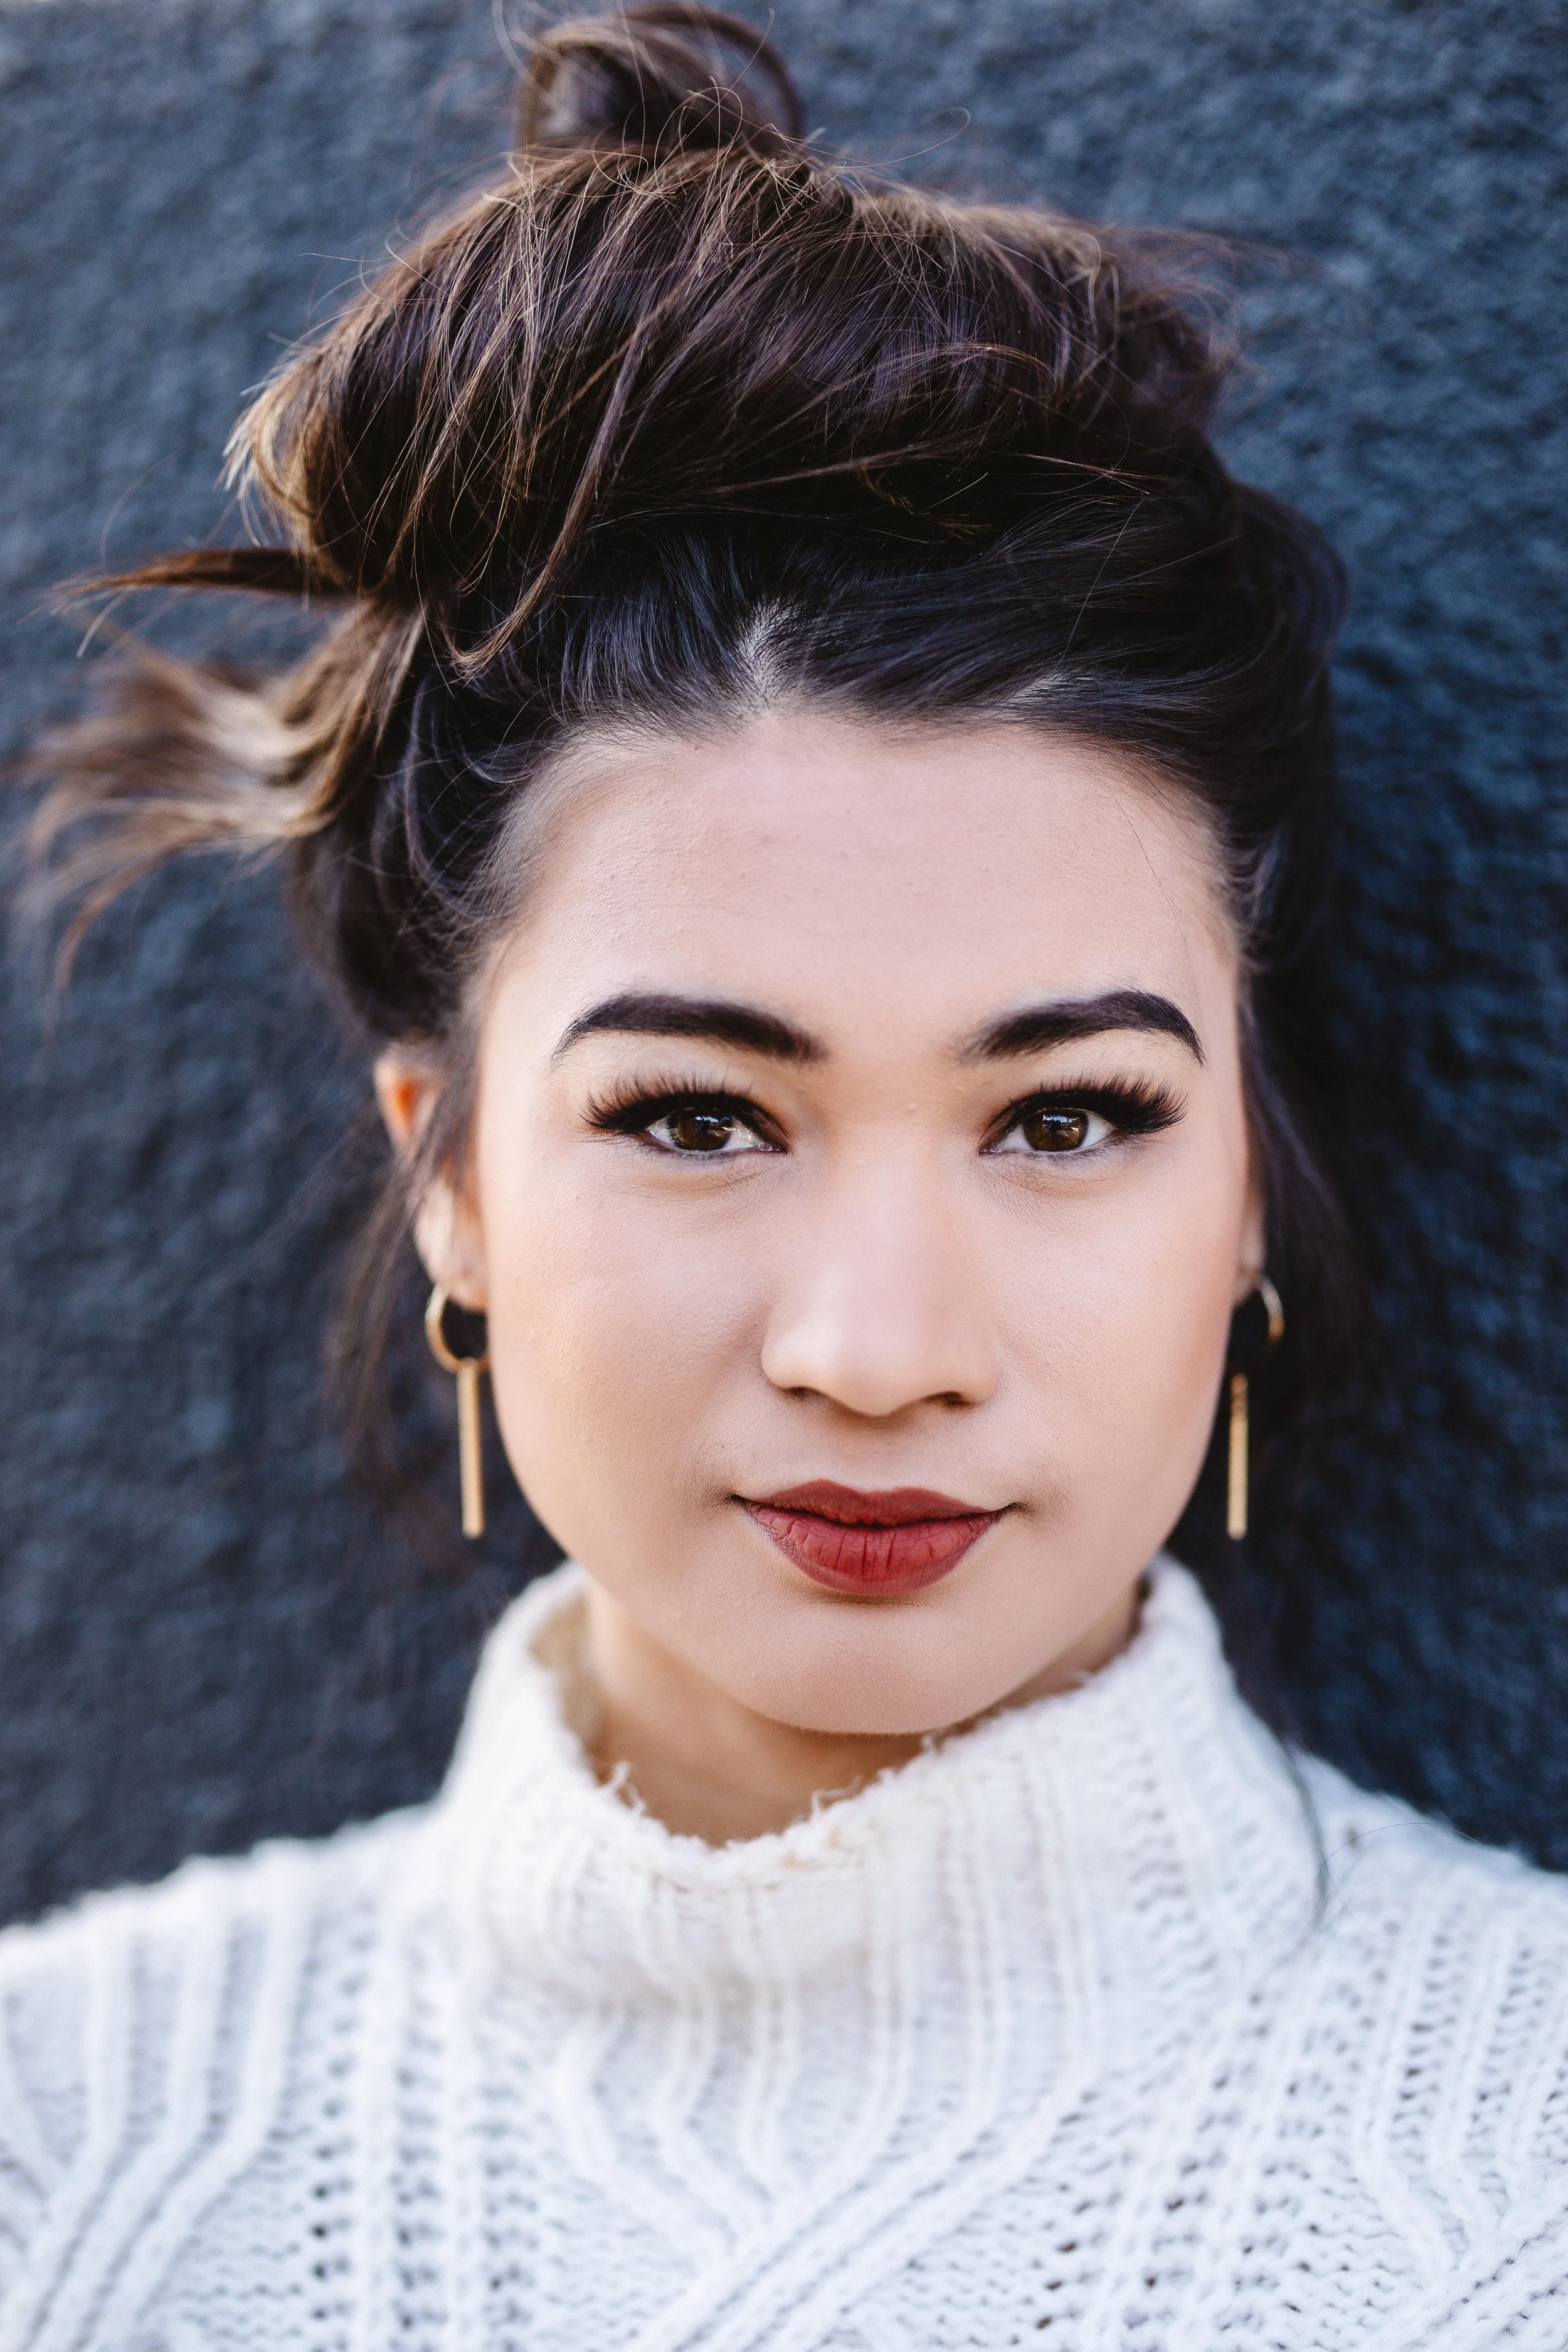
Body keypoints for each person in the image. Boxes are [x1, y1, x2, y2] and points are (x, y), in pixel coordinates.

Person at [4, 6, 1566, 2345]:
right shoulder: (62, 2143)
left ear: (1242, 1185)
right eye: (696, 1115)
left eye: (1067, 1118)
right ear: (447, 1181)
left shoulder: (1516, 2167)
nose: (877, 1349)